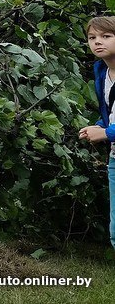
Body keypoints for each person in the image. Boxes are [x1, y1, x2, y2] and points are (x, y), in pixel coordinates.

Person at [79, 16, 115, 252]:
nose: (97, 42)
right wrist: (98, 127)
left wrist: (106, 134)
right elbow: (110, 111)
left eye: (106, 36)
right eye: (92, 38)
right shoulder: (102, 70)